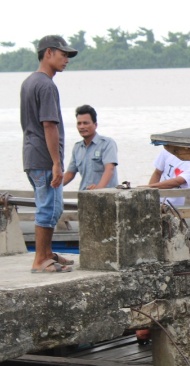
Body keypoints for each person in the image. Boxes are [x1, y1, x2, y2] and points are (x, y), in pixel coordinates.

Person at [20, 35, 78, 273]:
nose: (66, 60)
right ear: (48, 53)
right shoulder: (46, 84)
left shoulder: (29, 81)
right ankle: (40, 260)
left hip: (31, 154)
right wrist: (57, 162)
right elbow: (49, 125)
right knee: (49, 208)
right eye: (63, 54)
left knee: (47, 205)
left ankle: (45, 253)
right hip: (43, 157)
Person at [62, 105, 119, 190]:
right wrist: (52, 186)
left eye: (85, 123)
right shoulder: (77, 147)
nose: (82, 127)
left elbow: (109, 169)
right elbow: (70, 173)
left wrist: (97, 190)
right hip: (85, 196)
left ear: (95, 125)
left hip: (106, 197)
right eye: (79, 123)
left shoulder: (107, 143)